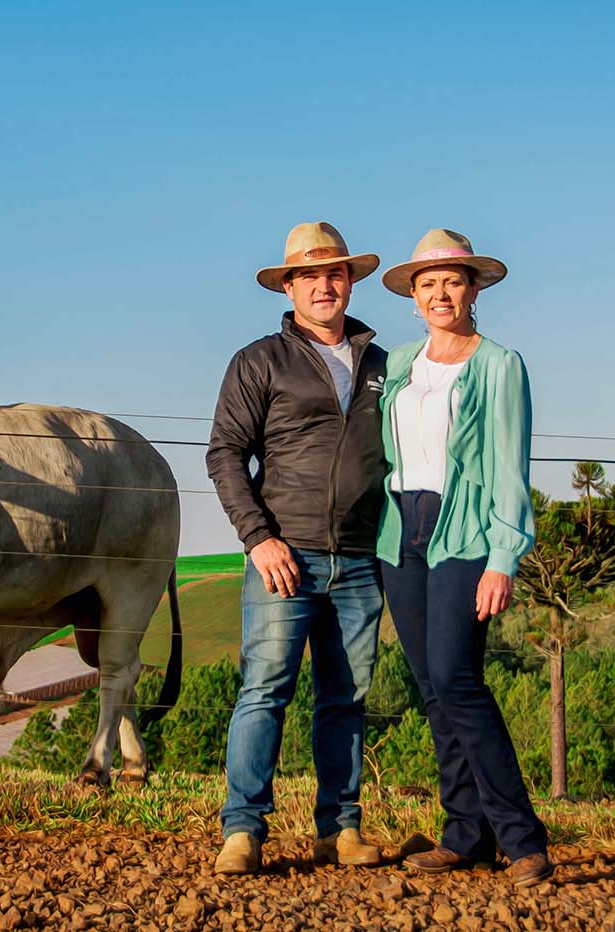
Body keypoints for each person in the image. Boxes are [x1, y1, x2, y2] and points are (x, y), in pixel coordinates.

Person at [206, 221, 389, 876]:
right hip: (287, 556)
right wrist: (259, 538)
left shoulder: (381, 367)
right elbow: (225, 454)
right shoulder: (259, 361)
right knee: (265, 690)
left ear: (350, 282)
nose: (323, 285)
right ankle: (243, 830)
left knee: (345, 699)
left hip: (362, 562)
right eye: (309, 275)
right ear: (288, 286)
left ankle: (339, 830)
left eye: (334, 273)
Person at [375, 228, 554, 885]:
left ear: (474, 288)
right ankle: (465, 833)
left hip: (465, 530)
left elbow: (511, 464)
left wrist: (504, 555)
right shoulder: (397, 365)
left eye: (453, 281)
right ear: (414, 297)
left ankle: (523, 838)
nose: (440, 293)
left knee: (458, 678)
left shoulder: (499, 365)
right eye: (428, 284)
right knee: (430, 687)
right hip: (402, 529)